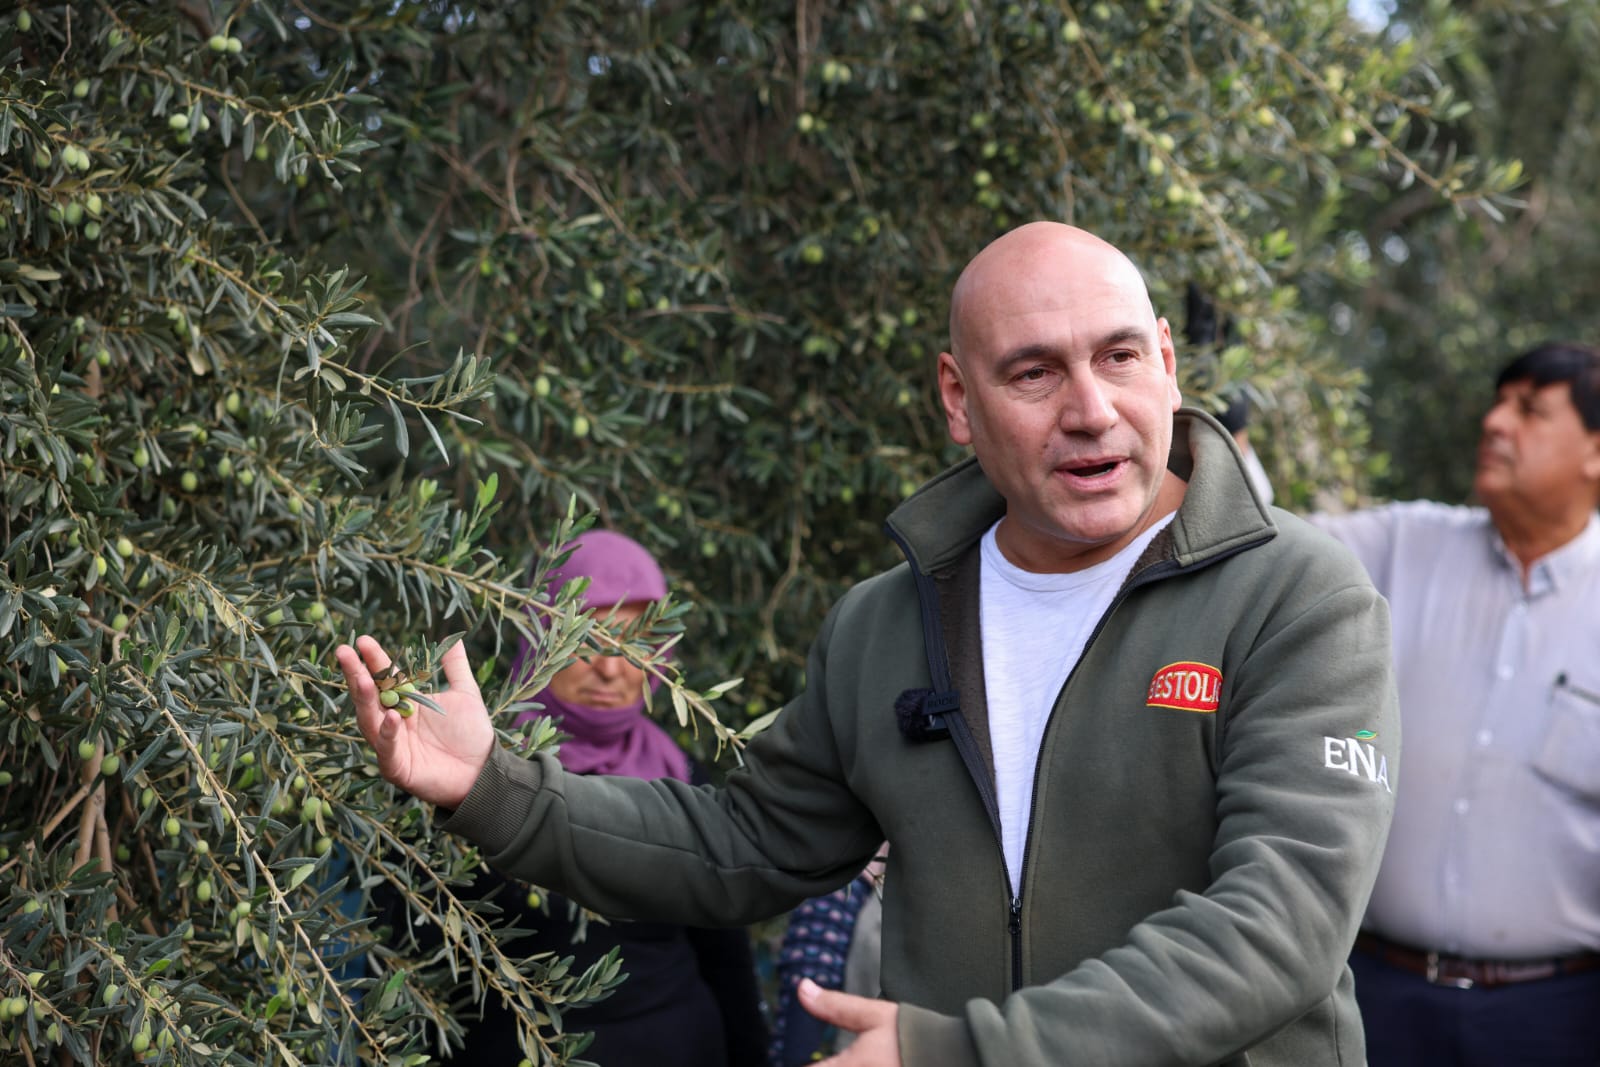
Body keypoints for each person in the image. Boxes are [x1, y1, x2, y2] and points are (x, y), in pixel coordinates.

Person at [338, 221, 1399, 1067]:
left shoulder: (1295, 596)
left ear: (1165, 361)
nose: (1091, 409)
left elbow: (1282, 923)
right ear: (958, 399)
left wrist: (969, 1051)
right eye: (1033, 373)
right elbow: (744, 842)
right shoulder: (886, 621)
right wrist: (492, 785)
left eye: (1119, 356)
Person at [1307, 341, 1600, 1066]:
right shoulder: (1403, 545)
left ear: (1595, 452)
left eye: (1530, 410)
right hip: (1374, 992)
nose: (1495, 422)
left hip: (1556, 1015)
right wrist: (1225, 437)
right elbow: (1264, 538)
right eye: (1498, 403)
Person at [374, 530, 769, 1067]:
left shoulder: (681, 774)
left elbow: (725, 956)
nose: (611, 668)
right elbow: (404, 956)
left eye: (635, 646)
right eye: (589, 641)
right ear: (541, 639)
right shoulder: (461, 774)